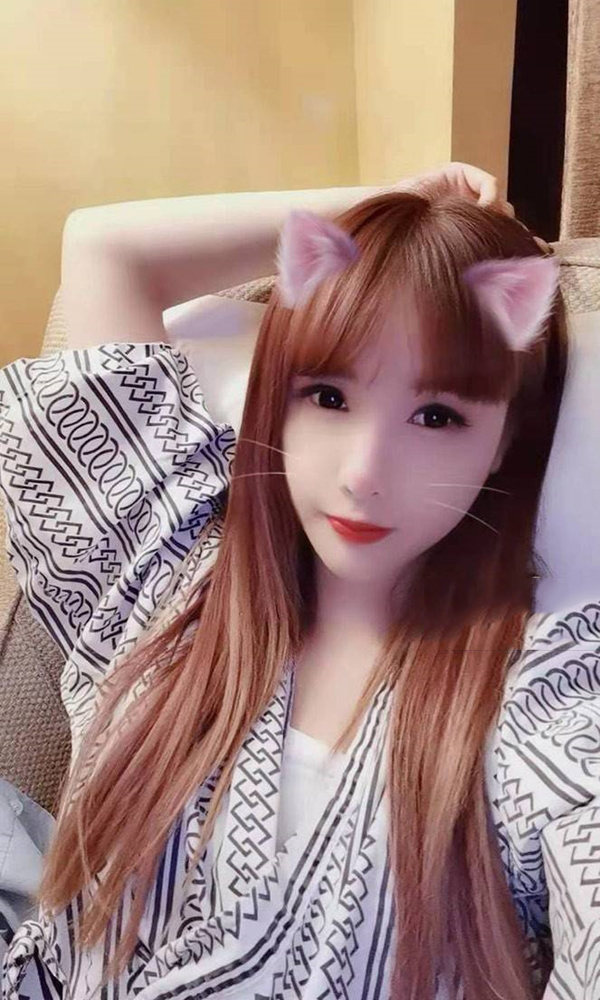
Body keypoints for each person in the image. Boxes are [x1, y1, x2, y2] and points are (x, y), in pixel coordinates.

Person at [0, 163, 597, 1000]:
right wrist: (391, 210)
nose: (363, 474)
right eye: (327, 396)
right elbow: (105, 249)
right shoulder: (169, 555)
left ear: (503, 443)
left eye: (437, 415)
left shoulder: (546, 685)